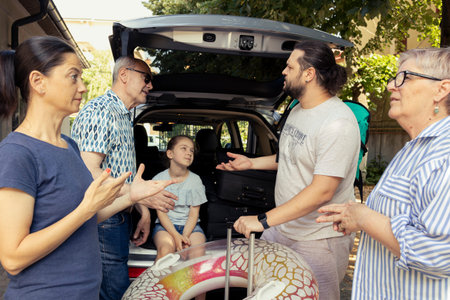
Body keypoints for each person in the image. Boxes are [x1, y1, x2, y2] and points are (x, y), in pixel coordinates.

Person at [0, 36, 174, 300]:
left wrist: (132, 196)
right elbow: (12, 257)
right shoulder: (18, 153)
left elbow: (87, 217)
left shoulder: (68, 146)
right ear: (38, 82)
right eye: (73, 76)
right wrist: (85, 209)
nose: (82, 86)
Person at [217, 40, 360, 299]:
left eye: (289, 66)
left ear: (309, 74)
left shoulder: (338, 123)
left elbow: (322, 191)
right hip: (282, 228)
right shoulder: (297, 111)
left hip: (317, 238)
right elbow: (291, 156)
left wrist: (262, 220)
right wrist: (252, 163)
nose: (284, 71)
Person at [317, 48, 450, 299]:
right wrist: (354, 217)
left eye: (404, 78)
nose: (391, 86)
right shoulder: (415, 148)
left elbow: (440, 253)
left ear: (441, 90)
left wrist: (364, 218)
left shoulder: (445, 154)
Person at [71, 56, 177, 300]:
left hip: (119, 215)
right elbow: (90, 172)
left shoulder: (123, 115)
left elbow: (123, 173)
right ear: (124, 75)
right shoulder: (101, 111)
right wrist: (141, 196)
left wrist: (143, 210)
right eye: (146, 78)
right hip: (105, 218)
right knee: (114, 292)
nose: (150, 86)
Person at [153, 135, 207, 261]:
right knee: (165, 251)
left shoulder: (195, 181)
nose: (189, 153)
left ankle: (192, 281)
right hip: (165, 227)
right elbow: (161, 214)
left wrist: (184, 237)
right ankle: (159, 281)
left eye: (191, 150)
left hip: (191, 228)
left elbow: (194, 215)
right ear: (170, 154)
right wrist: (176, 236)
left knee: (197, 251)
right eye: (184, 148)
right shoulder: (158, 180)